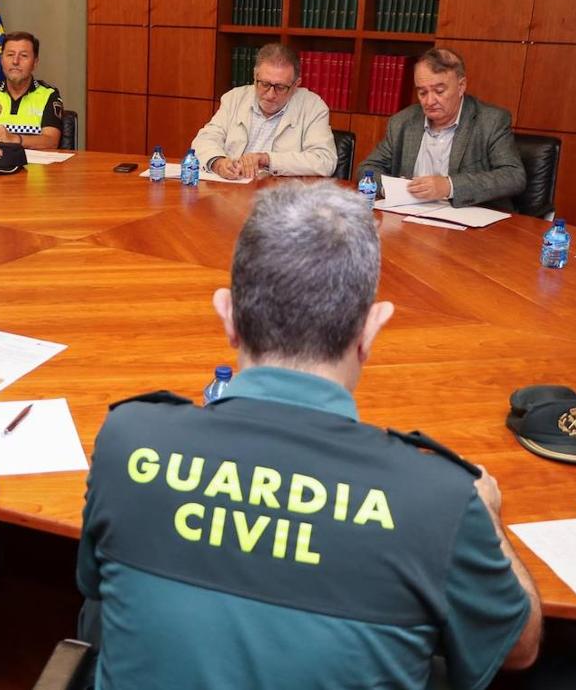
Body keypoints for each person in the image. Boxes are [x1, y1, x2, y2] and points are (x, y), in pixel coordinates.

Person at [77, 181, 541, 689]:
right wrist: (487, 517)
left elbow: (95, 587)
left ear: (227, 315)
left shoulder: (128, 439)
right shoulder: (438, 500)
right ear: (371, 330)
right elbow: (519, 648)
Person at [357, 47, 526, 211]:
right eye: (422, 93)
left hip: (467, 223)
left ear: (461, 86)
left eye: (439, 91)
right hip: (411, 218)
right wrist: (393, 190)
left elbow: (513, 176)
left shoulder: (490, 121)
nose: (429, 101)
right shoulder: (402, 122)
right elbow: (367, 169)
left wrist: (449, 186)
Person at [191, 43, 337, 179]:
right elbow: (204, 140)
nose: (270, 94)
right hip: (231, 190)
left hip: (280, 196)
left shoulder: (313, 107)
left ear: (295, 85)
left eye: (280, 87)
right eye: (265, 84)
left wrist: (268, 159)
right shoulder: (234, 98)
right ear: (255, 78)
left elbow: (324, 161)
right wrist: (218, 163)